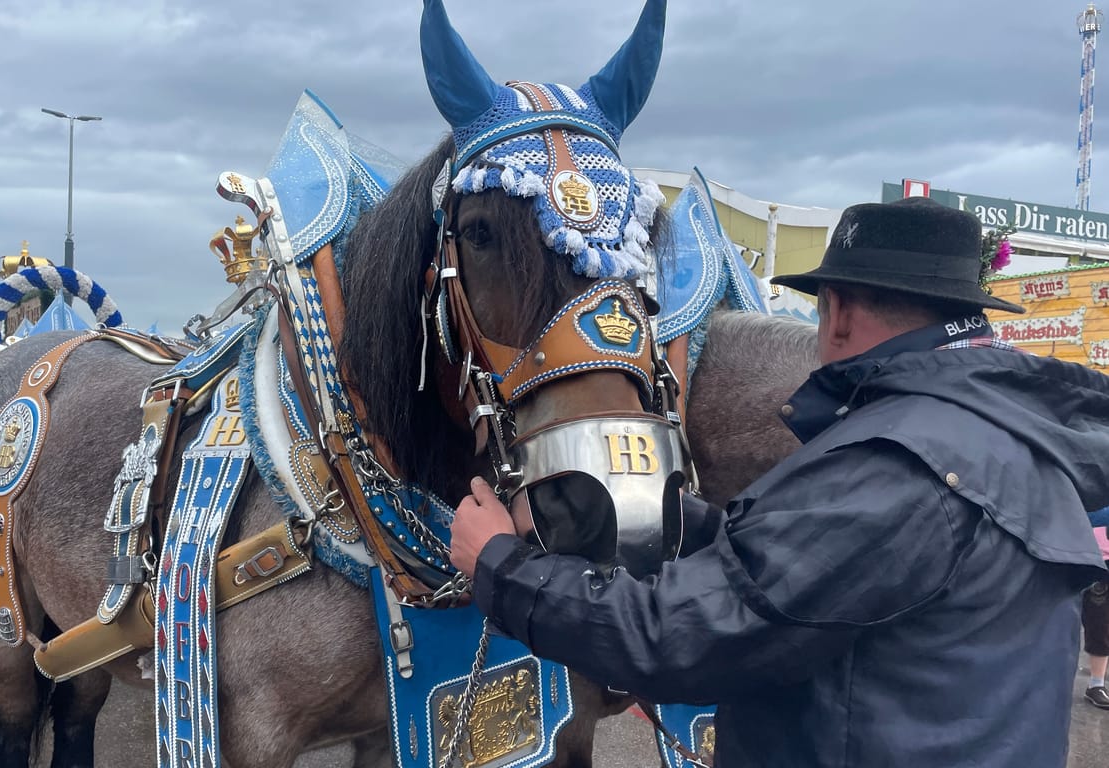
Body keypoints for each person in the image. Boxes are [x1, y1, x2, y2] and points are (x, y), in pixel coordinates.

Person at [450, 198, 1109, 767]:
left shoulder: (895, 462)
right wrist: (653, 508)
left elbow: (676, 638)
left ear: (841, 312)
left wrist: (498, 566)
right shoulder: (1014, 439)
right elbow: (806, 573)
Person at [1085, 505, 1109, 709]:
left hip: (1103, 560)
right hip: (1088, 556)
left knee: (1101, 624)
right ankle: (1096, 684)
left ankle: (1097, 684)